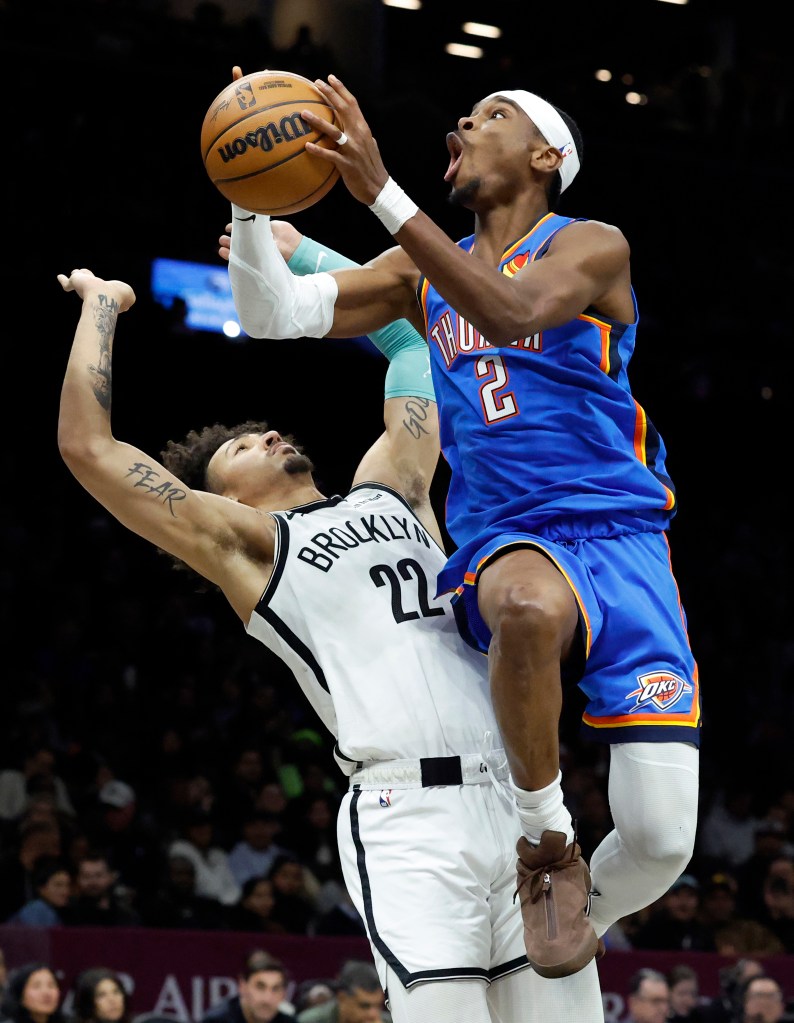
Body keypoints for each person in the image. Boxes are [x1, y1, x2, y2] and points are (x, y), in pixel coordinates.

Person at [221, 64, 701, 980]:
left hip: (627, 539)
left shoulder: (591, 245)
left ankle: (546, 917)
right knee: (521, 606)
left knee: (660, 839)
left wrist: (379, 192)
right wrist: (246, 205)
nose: (463, 123)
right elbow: (271, 312)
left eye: (491, 115)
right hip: (509, 530)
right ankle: (544, 843)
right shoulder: (417, 272)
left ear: (545, 154)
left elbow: (515, 313)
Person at [56, 248, 603, 1021]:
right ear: (228, 494)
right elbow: (91, 450)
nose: (269, 434)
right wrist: (101, 305)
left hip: (522, 800)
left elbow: (415, 336)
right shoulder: (250, 547)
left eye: (265, 429)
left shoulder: (396, 482)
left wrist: (304, 256)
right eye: (243, 448)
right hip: (408, 814)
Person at [199, 950, 293, 1023]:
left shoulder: (287, 1021)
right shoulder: (217, 1021)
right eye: (260, 987)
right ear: (242, 987)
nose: (267, 998)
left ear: (284, 994)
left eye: (275, 989)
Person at [295, 961, 388, 1023]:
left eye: (378, 1006)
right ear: (342, 998)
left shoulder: (391, 1021)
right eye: (364, 1006)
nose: (373, 1014)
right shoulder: (311, 1021)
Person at [5, 856, 72, 927]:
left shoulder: (56, 911)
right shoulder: (36, 910)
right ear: (42, 888)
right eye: (58, 885)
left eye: (68, 885)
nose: (65, 891)